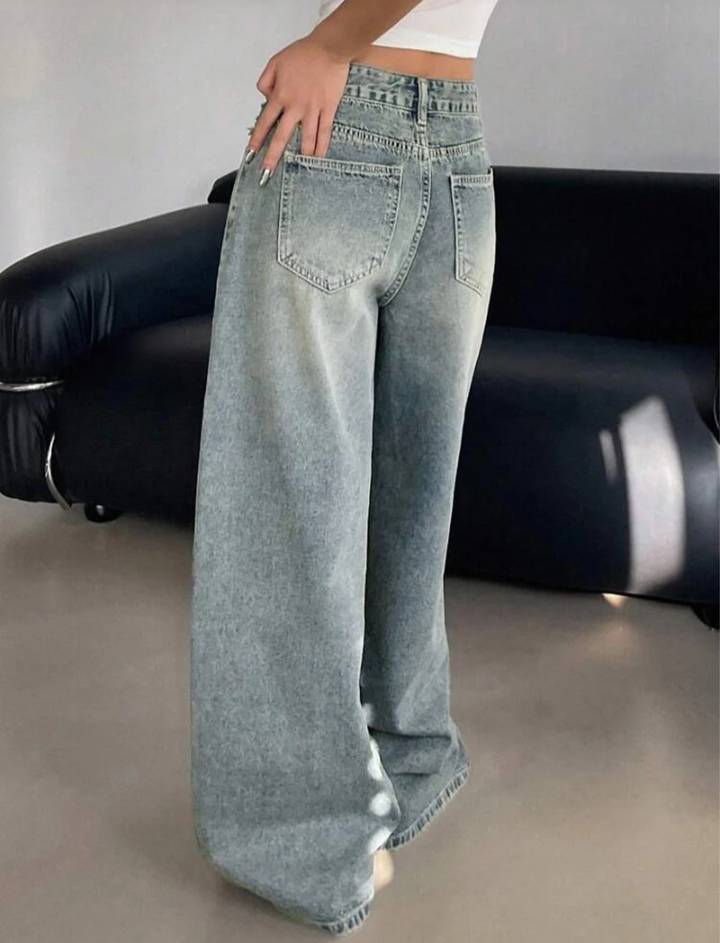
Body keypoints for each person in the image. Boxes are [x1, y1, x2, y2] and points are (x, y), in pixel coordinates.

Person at [190, 0, 499, 934]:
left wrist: (330, 44)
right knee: (414, 496)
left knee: (286, 502)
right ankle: (408, 754)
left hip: (340, 130)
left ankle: (300, 838)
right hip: (458, 153)